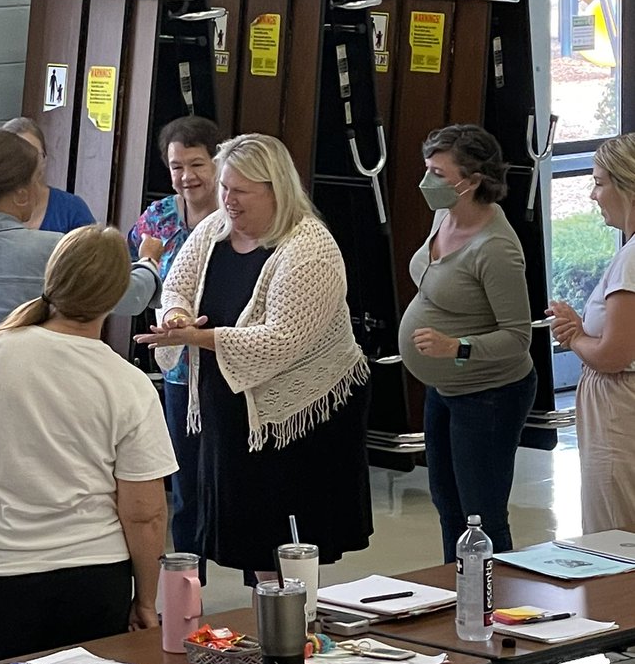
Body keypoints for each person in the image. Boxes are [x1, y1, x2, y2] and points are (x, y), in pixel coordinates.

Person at [0, 126, 162, 664]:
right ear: (27, 193)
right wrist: (147, 259)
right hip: (89, 568)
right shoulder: (123, 381)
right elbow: (145, 509)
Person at [140, 133, 372, 580]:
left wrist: (199, 338)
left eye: (241, 191)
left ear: (275, 190)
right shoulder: (215, 228)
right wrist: (175, 316)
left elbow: (281, 340)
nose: (228, 200)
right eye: (225, 187)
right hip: (233, 407)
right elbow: (177, 286)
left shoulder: (310, 247)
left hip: (298, 414)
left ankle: (292, 617)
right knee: (252, 541)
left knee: (286, 544)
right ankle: (267, 613)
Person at [399, 124, 535, 563]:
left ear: (473, 180)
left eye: (438, 174)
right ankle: (458, 590)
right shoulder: (445, 215)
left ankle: (496, 595)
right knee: (448, 506)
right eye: (427, 169)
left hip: (489, 395)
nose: (427, 181)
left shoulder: (496, 249)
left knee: (481, 516)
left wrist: (456, 347)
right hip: (445, 388)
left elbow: (518, 337)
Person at [0, 126, 161, 367]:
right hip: (41, 386)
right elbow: (131, 297)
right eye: (36, 179)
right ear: (22, 195)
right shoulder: (52, 248)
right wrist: (148, 261)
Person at [126, 116, 221, 581]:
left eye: (197, 164)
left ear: (218, 162)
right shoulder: (158, 219)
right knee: (185, 483)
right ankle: (189, 584)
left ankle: (260, 580)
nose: (187, 177)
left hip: (233, 360)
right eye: (176, 166)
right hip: (181, 370)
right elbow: (139, 286)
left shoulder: (238, 210)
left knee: (235, 477)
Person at [548, 134, 635, 534]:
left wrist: (574, 336)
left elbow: (614, 354)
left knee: (614, 533)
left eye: (599, 183)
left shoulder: (631, 261)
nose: (593, 195)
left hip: (619, 409)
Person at [2, 116, 95, 232]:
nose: (26, 163)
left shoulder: (72, 209)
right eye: (17, 155)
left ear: (44, 159)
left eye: (33, 154)